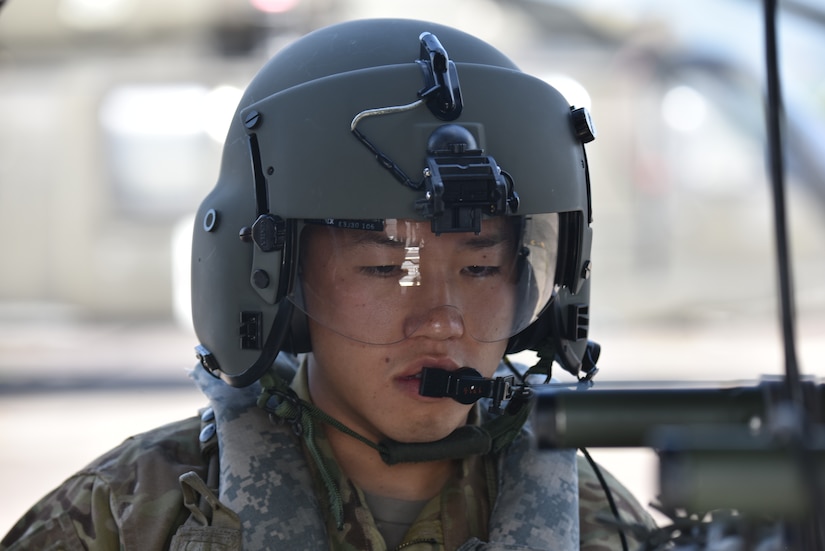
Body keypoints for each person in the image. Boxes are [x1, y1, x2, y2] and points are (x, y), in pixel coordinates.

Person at [2, 18, 657, 550]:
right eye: (383, 266)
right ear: (277, 282)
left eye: (480, 267)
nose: (441, 319)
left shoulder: (597, 526)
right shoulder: (127, 517)